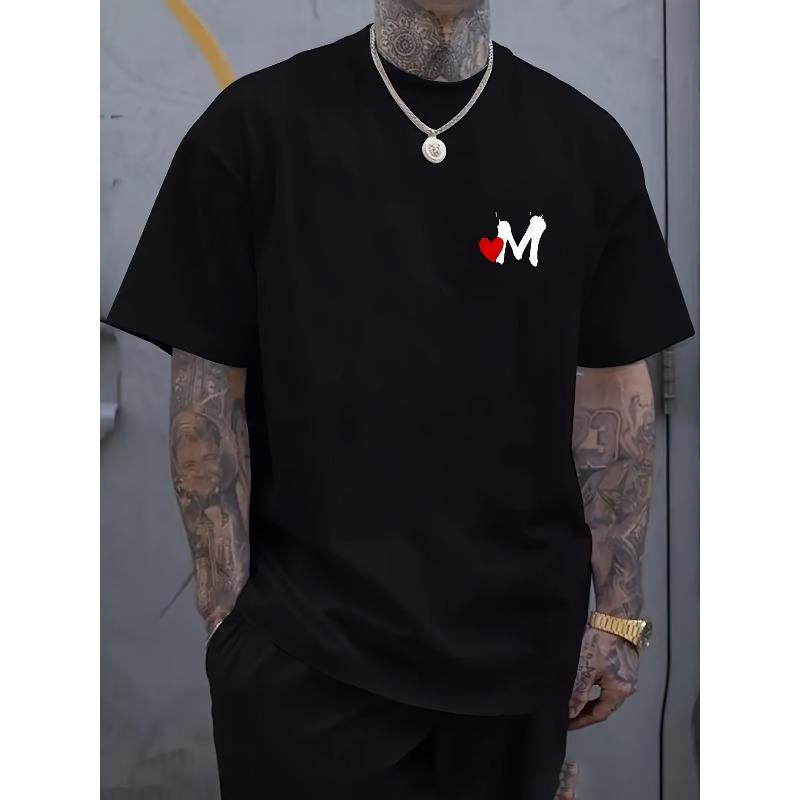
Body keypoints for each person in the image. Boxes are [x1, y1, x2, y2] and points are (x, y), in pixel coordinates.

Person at [103, 1, 695, 797]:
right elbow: (207, 400)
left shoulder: (584, 145)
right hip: (308, 661)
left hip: (520, 664)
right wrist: (231, 626)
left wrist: (618, 616)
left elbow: (614, 398)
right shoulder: (254, 131)